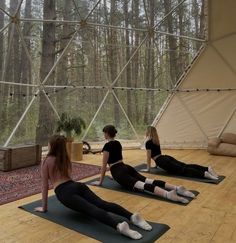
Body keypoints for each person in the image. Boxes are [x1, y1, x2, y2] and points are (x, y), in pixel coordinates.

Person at [34, 135, 153, 240]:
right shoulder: (64, 158)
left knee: (91, 209)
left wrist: (44, 207)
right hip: (77, 185)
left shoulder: (47, 161)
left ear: (52, 146)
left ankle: (119, 227)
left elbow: (44, 185)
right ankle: (132, 216)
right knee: (102, 203)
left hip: (64, 191)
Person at [91, 125, 196, 204]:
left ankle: (168, 195)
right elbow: (117, 160)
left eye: (104, 133)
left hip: (119, 172)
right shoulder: (118, 143)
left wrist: (100, 182)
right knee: (148, 180)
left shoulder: (106, 146)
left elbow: (104, 165)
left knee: (142, 186)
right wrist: (113, 176)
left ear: (107, 133)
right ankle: (177, 188)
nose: (103, 135)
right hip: (126, 167)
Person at [143, 126, 219, 180]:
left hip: (162, 161)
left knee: (183, 170)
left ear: (148, 132)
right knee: (185, 166)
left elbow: (148, 157)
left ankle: (204, 174)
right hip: (166, 157)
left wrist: (148, 169)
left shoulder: (148, 142)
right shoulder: (156, 141)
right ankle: (207, 169)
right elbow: (158, 152)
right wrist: (156, 165)